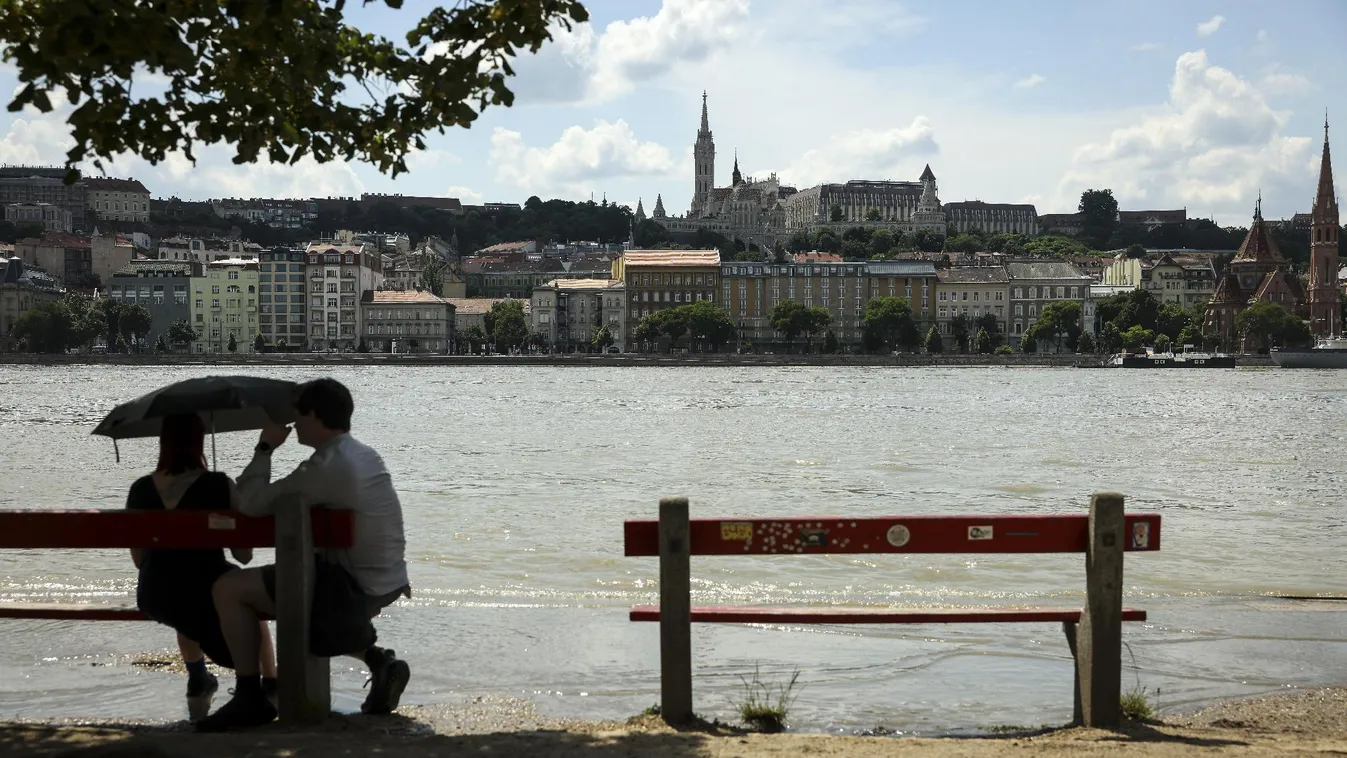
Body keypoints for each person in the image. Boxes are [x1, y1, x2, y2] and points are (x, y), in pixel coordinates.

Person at [198, 378, 411, 732]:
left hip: (350, 586)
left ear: (313, 415)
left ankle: (250, 696)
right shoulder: (362, 454)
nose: (294, 423)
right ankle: (377, 660)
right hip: (386, 578)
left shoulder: (326, 466)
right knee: (284, 586)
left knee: (229, 588)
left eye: (298, 415)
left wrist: (265, 447)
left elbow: (250, 504)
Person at [126, 413, 277, 720]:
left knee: (181, 597)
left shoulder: (139, 489)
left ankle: (198, 678)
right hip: (207, 589)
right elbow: (244, 555)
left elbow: (140, 560)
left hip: (156, 594)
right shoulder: (218, 484)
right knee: (243, 596)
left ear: (163, 443)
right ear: (200, 442)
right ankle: (271, 681)